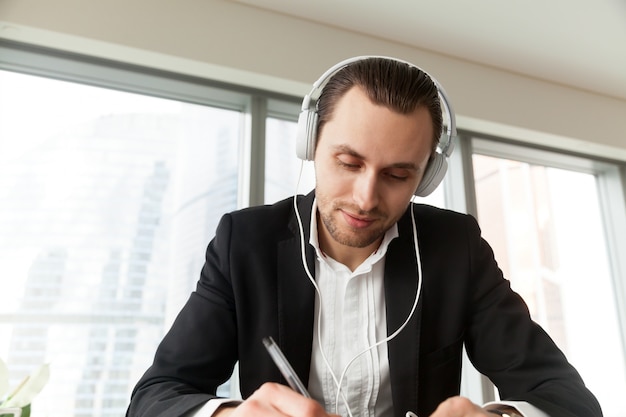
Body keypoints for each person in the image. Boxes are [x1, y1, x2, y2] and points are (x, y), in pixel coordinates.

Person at [126, 56, 602, 417]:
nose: (366, 198)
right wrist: (227, 414)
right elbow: (156, 395)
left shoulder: (457, 249)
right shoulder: (243, 242)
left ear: (427, 176)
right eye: (349, 163)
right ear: (310, 143)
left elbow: (565, 396)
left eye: (397, 175)